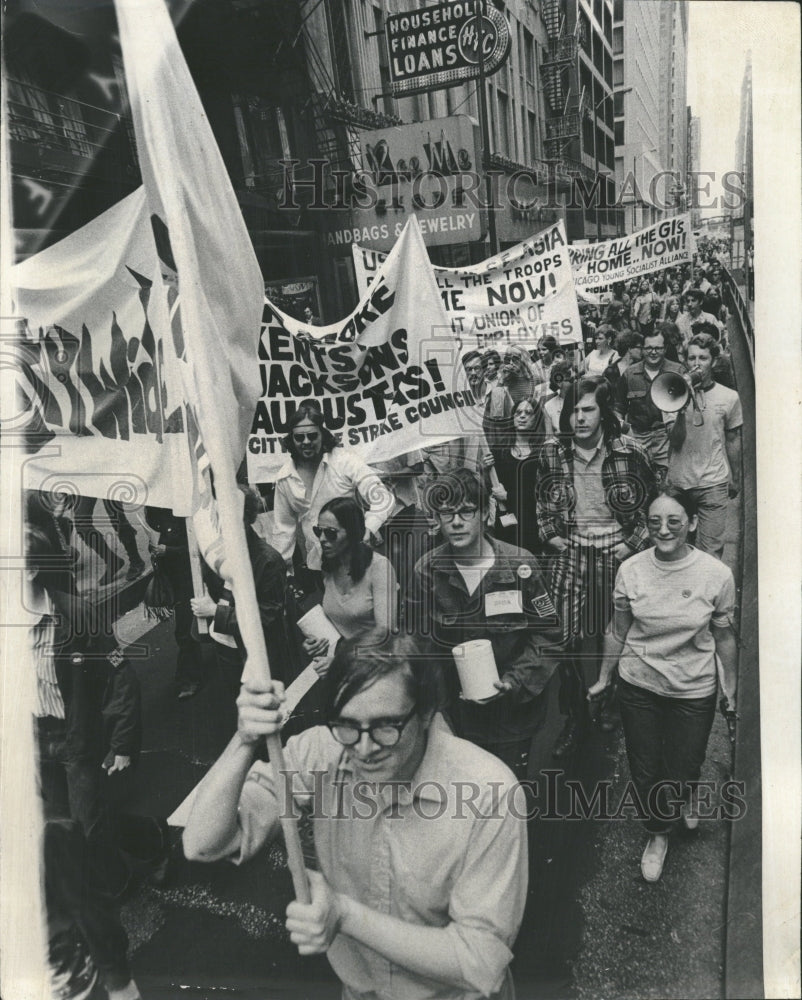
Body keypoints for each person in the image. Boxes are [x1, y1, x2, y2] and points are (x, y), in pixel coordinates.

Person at [182, 636, 528, 1000]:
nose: (363, 749)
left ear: (427, 713)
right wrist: (243, 739)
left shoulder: (490, 793)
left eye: (385, 726)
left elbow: (479, 962)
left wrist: (344, 915)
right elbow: (202, 845)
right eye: (347, 724)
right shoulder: (321, 751)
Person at [587, 486, 738, 882]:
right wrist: (605, 676)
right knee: (646, 768)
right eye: (655, 522)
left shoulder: (717, 575)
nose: (664, 530)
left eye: (674, 521)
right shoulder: (631, 570)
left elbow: (723, 637)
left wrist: (731, 689)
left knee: (685, 764)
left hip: (693, 688)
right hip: (639, 685)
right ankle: (657, 834)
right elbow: (617, 630)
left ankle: (686, 791)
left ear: (691, 523)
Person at [409, 469, 560, 779]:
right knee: (462, 799)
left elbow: (549, 635)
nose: (456, 521)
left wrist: (515, 681)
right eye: (447, 512)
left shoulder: (522, 566)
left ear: (485, 512)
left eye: (466, 510)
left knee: (506, 795)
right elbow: (414, 642)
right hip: (453, 717)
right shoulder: (427, 572)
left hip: (512, 717)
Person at [536, 377, 655, 756]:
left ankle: (608, 703)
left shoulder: (629, 450)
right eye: (573, 410)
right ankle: (574, 715)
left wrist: (630, 545)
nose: (579, 418)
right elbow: (542, 496)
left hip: (613, 552)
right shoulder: (553, 451)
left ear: (603, 412)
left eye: (587, 409)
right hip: (570, 550)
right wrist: (550, 533)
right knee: (562, 638)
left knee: (613, 634)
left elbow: (653, 503)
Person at [271, 403, 395, 591]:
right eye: (299, 437)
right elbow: (283, 530)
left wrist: (368, 529)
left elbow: (382, 497)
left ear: (322, 434)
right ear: (291, 439)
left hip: (356, 558)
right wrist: (280, 573)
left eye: (312, 436)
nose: (306, 442)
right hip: (319, 565)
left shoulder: (344, 461)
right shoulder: (284, 478)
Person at [191, 486, 299, 697]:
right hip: (225, 645)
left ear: (247, 518)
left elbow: (266, 617)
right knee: (239, 705)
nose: (225, 525)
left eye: (233, 518)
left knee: (267, 709)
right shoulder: (213, 552)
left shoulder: (269, 561)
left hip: (257, 653)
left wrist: (215, 612)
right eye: (220, 517)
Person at [666, 333, 743, 559]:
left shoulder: (729, 397)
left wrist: (735, 477)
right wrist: (681, 407)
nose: (696, 364)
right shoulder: (671, 392)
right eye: (691, 358)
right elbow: (675, 440)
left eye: (703, 358)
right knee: (678, 551)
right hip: (679, 483)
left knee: (710, 554)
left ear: (714, 361)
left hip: (713, 482)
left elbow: (733, 439)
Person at [301, 497, 398, 673]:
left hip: (378, 670)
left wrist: (341, 661)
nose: (322, 539)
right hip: (344, 669)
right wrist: (317, 643)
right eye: (318, 531)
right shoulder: (329, 569)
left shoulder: (379, 568)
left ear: (352, 533)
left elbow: (385, 636)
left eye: (331, 532)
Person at [145, 506, 204, 699]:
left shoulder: (185, 510)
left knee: (185, 630)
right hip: (175, 578)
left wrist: (167, 550)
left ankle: (190, 677)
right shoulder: (154, 510)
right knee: (187, 628)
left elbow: (196, 548)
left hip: (191, 576)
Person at [613, 328, 686, 482]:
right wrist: (625, 430)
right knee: (639, 485)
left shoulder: (677, 371)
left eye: (658, 348)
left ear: (665, 349)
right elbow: (618, 408)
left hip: (666, 440)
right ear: (642, 349)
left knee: (668, 487)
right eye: (648, 348)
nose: (653, 352)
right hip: (637, 438)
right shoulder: (629, 374)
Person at [492, 397, 548, 554]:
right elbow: (489, 488)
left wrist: (508, 497)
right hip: (506, 522)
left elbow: (541, 496)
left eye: (528, 413)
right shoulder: (499, 450)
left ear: (536, 419)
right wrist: (484, 468)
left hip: (533, 524)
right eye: (518, 412)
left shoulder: (543, 452)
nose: (522, 416)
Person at [540, 360, 575, 436]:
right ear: (559, 383)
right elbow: (549, 437)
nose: (576, 381)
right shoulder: (548, 406)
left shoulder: (585, 400)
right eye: (571, 379)